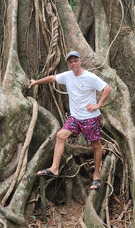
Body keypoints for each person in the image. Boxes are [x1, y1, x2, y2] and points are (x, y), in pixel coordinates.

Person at [29, 51, 112, 190]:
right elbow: (52, 78)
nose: (73, 63)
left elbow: (107, 88)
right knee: (60, 135)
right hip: (75, 117)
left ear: (80, 61)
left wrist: (98, 105)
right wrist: (36, 82)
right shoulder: (67, 76)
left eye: (75, 60)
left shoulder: (90, 77)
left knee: (96, 146)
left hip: (90, 118)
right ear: (68, 63)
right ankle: (54, 168)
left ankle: (96, 176)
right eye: (70, 62)